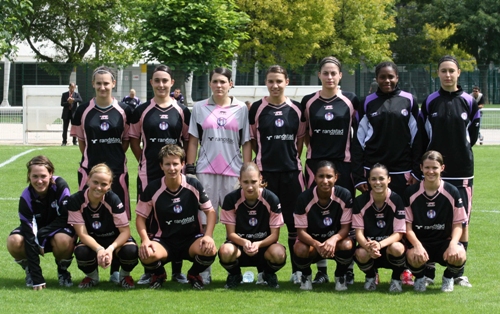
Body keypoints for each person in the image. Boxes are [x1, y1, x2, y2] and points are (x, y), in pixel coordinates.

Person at [351, 61, 420, 285]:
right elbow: (358, 141)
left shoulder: (409, 100)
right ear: (377, 79)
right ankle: (373, 269)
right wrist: (361, 176)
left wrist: (416, 171)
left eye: (391, 77)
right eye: (382, 77)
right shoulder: (367, 103)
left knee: (403, 223)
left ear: (397, 77)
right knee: (374, 221)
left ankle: (404, 271)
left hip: (403, 173)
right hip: (375, 173)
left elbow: (417, 138)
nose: (387, 81)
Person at [186, 67, 252, 284]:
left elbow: (246, 142)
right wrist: (190, 167)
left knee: (237, 223)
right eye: (215, 81)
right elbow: (193, 140)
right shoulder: (199, 107)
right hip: (205, 172)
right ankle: (204, 270)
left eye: (223, 82)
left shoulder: (241, 108)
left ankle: (236, 270)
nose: (219, 85)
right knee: (205, 224)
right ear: (210, 84)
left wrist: (247, 169)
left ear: (230, 84)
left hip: (233, 173)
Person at [419, 55, 479, 287]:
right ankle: (429, 269)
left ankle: (458, 272)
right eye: (443, 71)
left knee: (462, 222)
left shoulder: (469, 102)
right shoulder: (430, 101)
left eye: (451, 71)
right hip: (434, 171)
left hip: (462, 171)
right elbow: (424, 136)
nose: (447, 75)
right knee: (431, 218)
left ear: (458, 73)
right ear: (438, 73)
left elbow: (471, 137)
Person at [129, 64, 191, 285]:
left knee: (177, 216)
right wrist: (143, 159)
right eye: (157, 80)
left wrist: (185, 165)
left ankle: (177, 270)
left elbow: (187, 140)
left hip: (175, 172)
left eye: (165, 80)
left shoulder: (182, 110)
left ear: (172, 82)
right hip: (150, 172)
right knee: (149, 217)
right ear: (151, 83)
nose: (161, 84)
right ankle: (151, 269)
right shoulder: (142, 110)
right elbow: (134, 139)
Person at [71, 65, 133, 283]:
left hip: (117, 172)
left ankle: (116, 270)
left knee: (119, 218)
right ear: (93, 84)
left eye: (106, 83)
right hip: (89, 172)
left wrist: (111, 164)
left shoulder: (124, 110)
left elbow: (125, 141)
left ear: (113, 84)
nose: (102, 87)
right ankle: (92, 270)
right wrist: (94, 167)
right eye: (98, 83)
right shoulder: (83, 111)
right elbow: (81, 141)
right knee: (88, 215)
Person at [301, 56, 358, 285]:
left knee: (346, 216)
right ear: (319, 75)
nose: (330, 77)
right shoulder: (308, 101)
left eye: (334, 73)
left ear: (340, 75)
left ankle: (348, 268)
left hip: (343, 165)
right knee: (316, 216)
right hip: (316, 165)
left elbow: (358, 134)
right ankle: (322, 269)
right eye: (326, 73)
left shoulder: (350, 100)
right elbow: (303, 134)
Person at [249, 65, 306, 285]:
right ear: (266, 83)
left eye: (279, 81)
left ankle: (297, 271)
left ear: (287, 82)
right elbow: (253, 140)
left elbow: (300, 141)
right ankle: (265, 272)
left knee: (294, 224)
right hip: (265, 174)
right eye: (271, 81)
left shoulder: (297, 109)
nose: (275, 85)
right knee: (264, 224)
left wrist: (289, 159)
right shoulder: (256, 108)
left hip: (292, 173)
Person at [136, 144, 217, 290]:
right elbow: (140, 218)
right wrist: (145, 240)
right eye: (167, 164)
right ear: (161, 166)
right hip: (164, 241)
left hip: (190, 240)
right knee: (145, 254)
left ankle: (193, 274)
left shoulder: (193, 184)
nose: (172, 168)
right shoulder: (153, 188)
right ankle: (159, 274)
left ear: (183, 164)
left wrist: (208, 235)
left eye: (175, 164)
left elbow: (210, 212)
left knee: (210, 250)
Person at [6, 155, 75, 290]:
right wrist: (37, 276)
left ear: (50, 174)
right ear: (29, 176)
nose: (39, 181)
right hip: (36, 231)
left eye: (43, 176)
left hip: (58, 229)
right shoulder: (26, 197)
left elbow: (65, 217)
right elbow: (30, 235)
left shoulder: (60, 186)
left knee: (63, 240)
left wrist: (42, 234)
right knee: (14, 241)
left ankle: (62, 271)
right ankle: (30, 271)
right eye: (35, 176)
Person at [404, 150, 468, 292]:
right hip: (422, 242)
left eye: (434, 167)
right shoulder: (411, 193)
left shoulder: (452, 192)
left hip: (443, 242)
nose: (430, 171)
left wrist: (452, 244)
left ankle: (448, 277)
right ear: (421, 168)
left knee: (460, 253)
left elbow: (458, 224)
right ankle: (420, 278)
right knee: (412, 255)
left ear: (442, 168)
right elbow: (407, 227)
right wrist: (417, 246)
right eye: (427, 167)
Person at [66, 163, 138, 289]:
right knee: (81, 251)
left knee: (131, 250)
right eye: (95, 182)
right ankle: (92, 277)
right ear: (88, 180)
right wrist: (99, 249)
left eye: (104, 184)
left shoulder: (113, 200)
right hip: (92, 239)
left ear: (109, 185)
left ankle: (124, 276)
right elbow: (82, 234)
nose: (99, 187)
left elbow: (125, 232)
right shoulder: (76, 200)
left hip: (115, 239)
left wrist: (110, 249)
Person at [219, 162, 286, 289]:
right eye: (245, 182)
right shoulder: (231, 199)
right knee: (225, 251)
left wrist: (259, 244)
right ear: (239, 181)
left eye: (253, 181)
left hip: (264, 247)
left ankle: (268, 274)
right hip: (240, 246)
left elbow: (275, 235)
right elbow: (231, 234)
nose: (250, 187)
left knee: (279, 254)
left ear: (260, 179)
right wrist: (244, 242)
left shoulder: (272, 199)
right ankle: (235, 275)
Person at [293, 160, 354, 291]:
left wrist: (333, 239)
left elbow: (346, 228)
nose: (325, 181)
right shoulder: (303, 198)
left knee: (348, 244)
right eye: (321, 176)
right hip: (313, 245)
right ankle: (306, 276)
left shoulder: (345, 195)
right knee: (299, 248)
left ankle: (340, 276)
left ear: (336, 177)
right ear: (314, 177)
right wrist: (316, 244)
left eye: (329, 176)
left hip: (335, 244)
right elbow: (300, 232)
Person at [352, 163, 406, 292]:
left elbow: (399, 233)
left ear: (389, 179)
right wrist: (368, 246)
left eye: (381, 178)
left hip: (388, 248)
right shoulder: (360, 201)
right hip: (370, 249)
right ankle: (371, 277)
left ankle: (396, 279)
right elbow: (358, 233)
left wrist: (379, 245)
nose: (378, 182)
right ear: (369, 180)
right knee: (360, 253)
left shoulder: (397, 200)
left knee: (398, 247)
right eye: (374, 179)